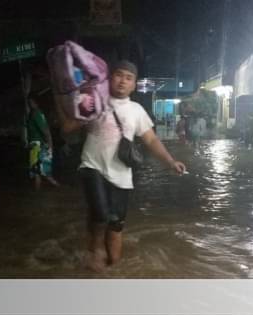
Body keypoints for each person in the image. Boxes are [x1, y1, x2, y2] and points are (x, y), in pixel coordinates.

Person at [57, 60, 186, 271]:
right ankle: (95, 250)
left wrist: (170, 162)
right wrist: (70, 101)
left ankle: (114, 269)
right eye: (118, 75)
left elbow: (151, 141)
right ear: (109, 78)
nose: (122, 81)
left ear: (134, 85)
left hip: (122, 176)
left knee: (116, 224)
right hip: (92, 167)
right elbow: (68, 126)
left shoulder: (136, 111)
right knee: (100, 213)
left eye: (128, 78)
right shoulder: (94, 101)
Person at [27, 94, 60, 189]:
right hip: (37, 144)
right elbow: (46, 129)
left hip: (37, 145)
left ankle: (55, 187)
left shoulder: (36, 113)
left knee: (40, 170)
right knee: (40, 170)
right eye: (29, 102)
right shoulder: (38, 113)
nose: (30, 104)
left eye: (31, 102)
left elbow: (45, 130)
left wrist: (50, 143)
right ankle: (42, 190)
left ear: (36, 103)